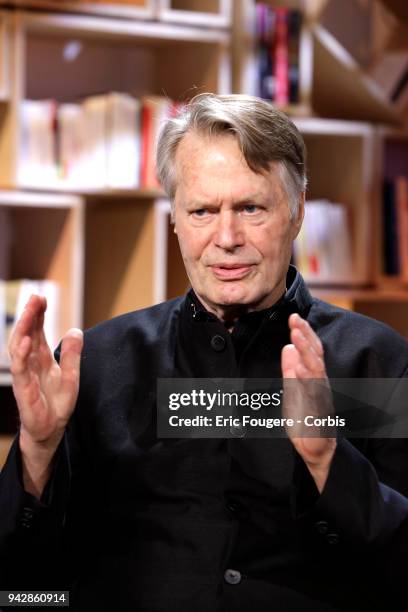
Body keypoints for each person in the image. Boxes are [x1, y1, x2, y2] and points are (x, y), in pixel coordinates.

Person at [1, 93, 408, 611]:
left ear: (298, 212)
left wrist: (328, 458)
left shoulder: (379, 365)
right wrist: (37, 449)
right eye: (202, 211)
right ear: (175, 219)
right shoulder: (97, 366)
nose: (226, 237)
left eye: (251, 208)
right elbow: (21, 583)